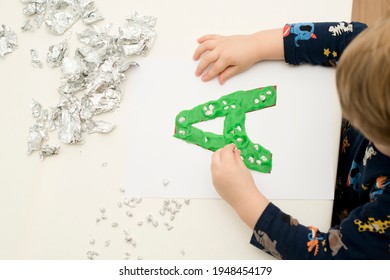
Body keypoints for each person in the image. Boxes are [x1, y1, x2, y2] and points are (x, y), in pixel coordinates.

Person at [193, 17, 390, 259]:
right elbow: (348, 38)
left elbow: (327, 259)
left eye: (361, 119)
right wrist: (256, 45)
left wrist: (245, 201)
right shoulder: (378, 51)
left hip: (348, 211)